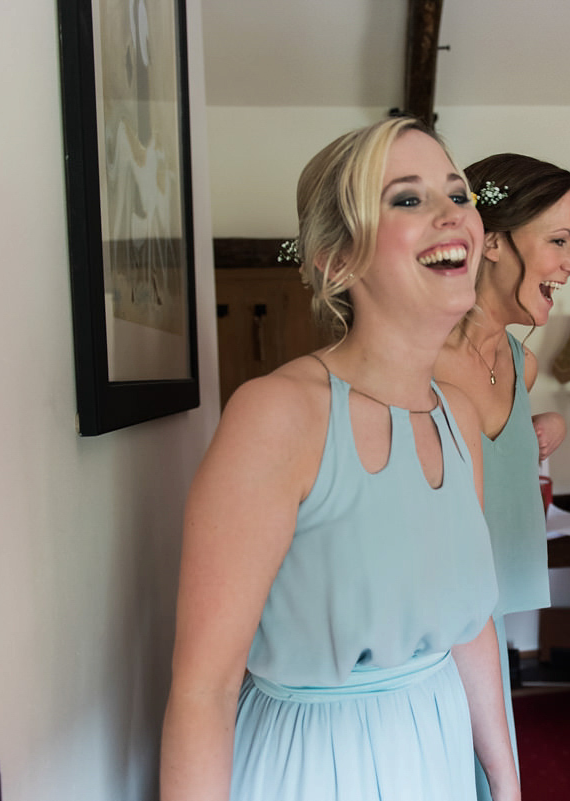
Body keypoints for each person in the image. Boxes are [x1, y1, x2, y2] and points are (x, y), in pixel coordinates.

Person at [160, 117, 520, 801]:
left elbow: (468, 622)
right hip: (319, 766)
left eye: (458, 194)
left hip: (439, 752)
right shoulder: (278, 416)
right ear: (336, 258)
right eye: (408, 199)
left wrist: (504, 779)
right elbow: (203, 688)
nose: (452, 215)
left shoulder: (459, 418)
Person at [433, 153, 570, 798]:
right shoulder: (415, 364)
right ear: (490, 240)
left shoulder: (522, 367)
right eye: (560, 241)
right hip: (423, 649)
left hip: (483, 644)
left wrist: (542, 430)